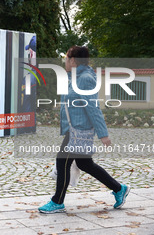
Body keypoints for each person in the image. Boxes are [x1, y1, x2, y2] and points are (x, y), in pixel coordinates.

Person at [38, 46, 130, 213]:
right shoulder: (74, 77)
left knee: (62, 161)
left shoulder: (85, 79)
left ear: (73, 60)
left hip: (79, 131)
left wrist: (103, 134)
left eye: (66, 58)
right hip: (74, 129)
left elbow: (93, 107)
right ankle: (119, 189)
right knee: (84, 163)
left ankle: (57, 201)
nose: (64, 61)